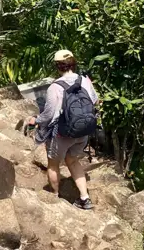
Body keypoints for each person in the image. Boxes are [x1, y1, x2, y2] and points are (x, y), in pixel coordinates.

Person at [31, 50, 99, 210]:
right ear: (74, 63)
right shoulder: (85, 81)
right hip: (83, 131)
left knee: (53, 165)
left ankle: (54, 198)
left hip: (63, 134)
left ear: (57, 66)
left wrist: (36, 120)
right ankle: (85, 198)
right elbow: (94, 100)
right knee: (73, 160)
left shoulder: (55, 87)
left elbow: (48, 114)